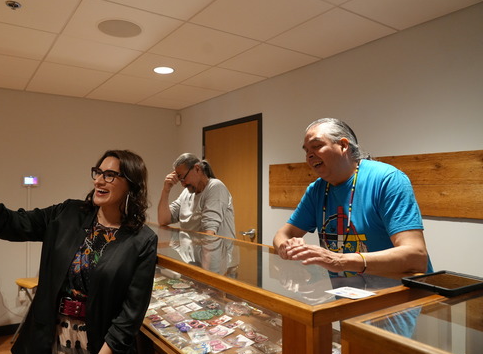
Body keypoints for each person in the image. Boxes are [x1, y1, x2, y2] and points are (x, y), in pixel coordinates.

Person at [0, 146, 157, 354]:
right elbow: (10, 222)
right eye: (98, 172)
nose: (99, 181)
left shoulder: (141, 240)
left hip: (103, 350)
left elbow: (131, 313)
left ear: (131, 183)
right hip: (54, 338)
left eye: (110, 175)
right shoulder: (67, 214)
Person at [273, 118, 432, 277]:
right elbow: (283, 234)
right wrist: (288, 247)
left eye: (316, 146)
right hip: (346, 296)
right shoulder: (317, 189)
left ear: (343, 145)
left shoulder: (387, 179)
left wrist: (340, 261)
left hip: (399, 295)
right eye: (306, 150)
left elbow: (416, 257)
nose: (309, 156)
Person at [157, 153, 235, 239]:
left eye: (183, 178)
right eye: (180, 180)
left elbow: (209, 233)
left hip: (214, 251)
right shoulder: (186, 193)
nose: (183, 184)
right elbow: (163, 220)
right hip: (192, 251)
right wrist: (166, 190)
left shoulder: (215, 187)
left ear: (197, 169)